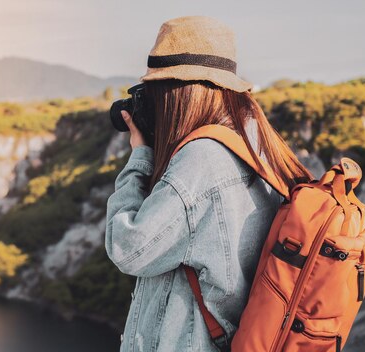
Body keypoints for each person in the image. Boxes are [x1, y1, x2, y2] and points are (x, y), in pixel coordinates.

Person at [104, 16, 311, 351]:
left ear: (176, 94)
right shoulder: (256, 140)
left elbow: (128, 249)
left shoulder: (202, 161)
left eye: (156, 94)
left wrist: (140, 156)